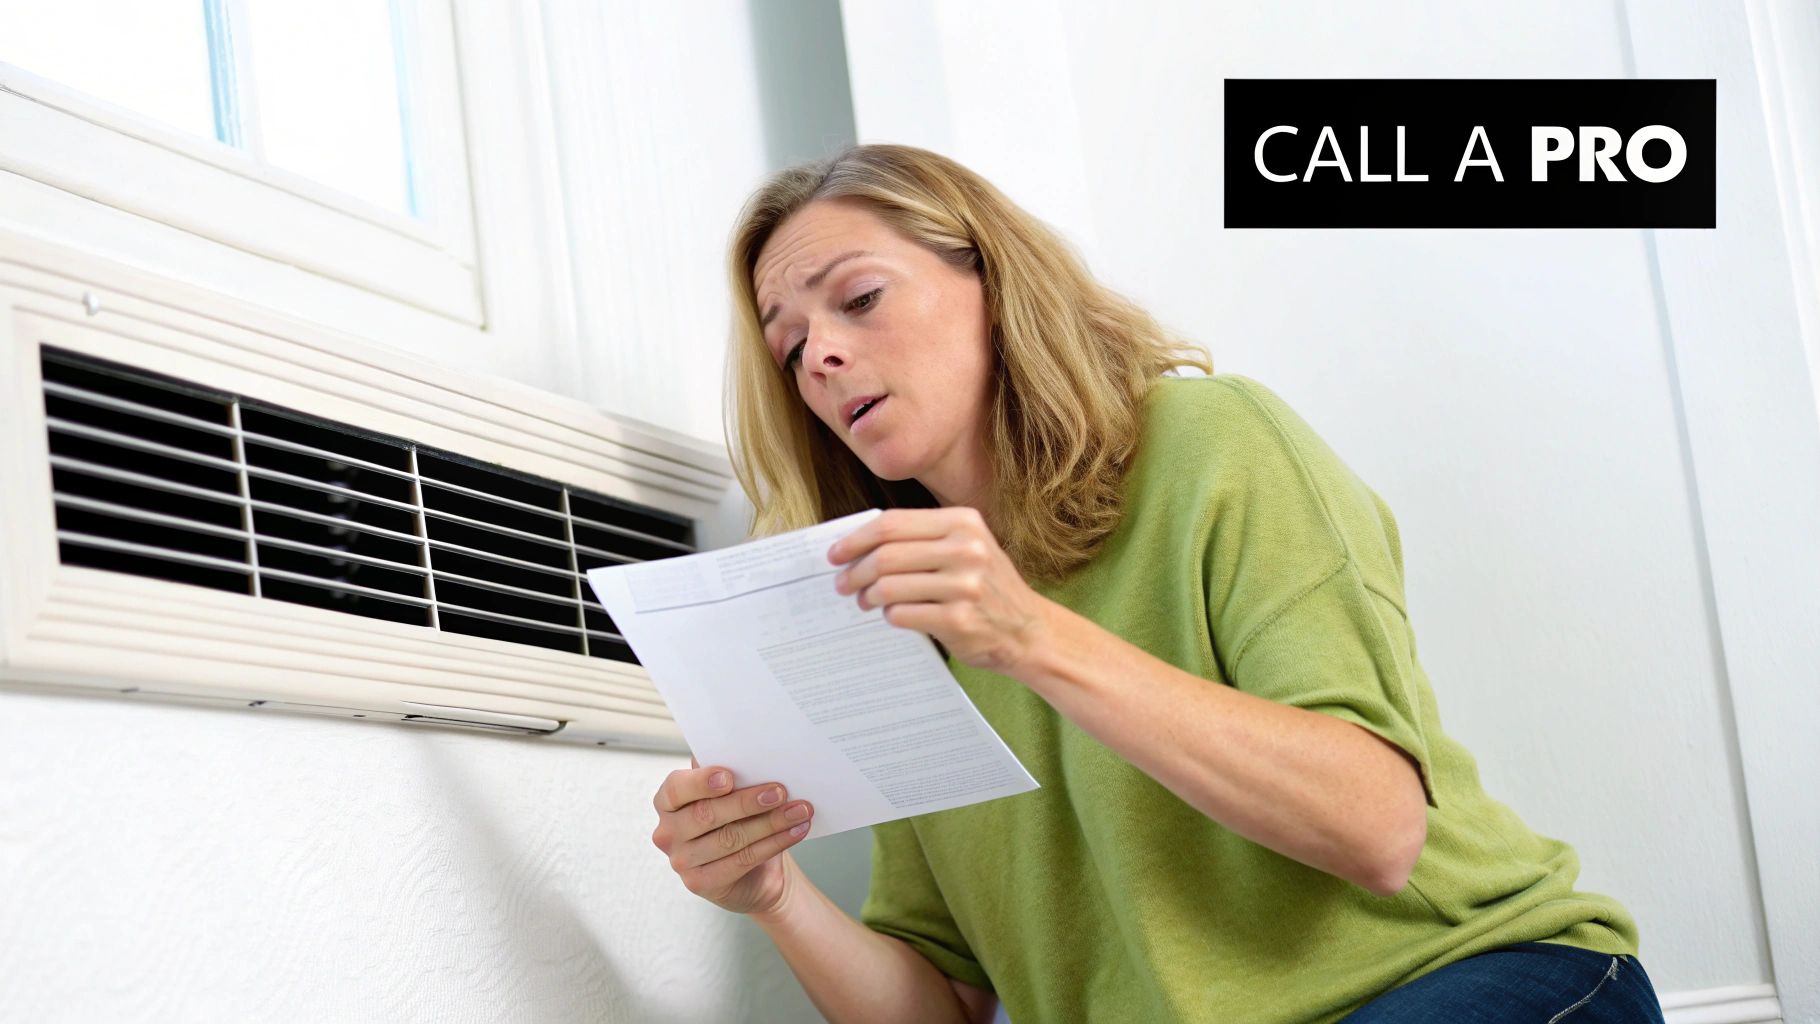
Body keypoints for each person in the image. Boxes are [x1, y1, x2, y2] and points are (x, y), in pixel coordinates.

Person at [648, 142, 1666, 1023]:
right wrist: (772, 891)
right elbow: (946, 1002)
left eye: (859, 299)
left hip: (1474, 978)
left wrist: (1029, 635)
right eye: (789, 347)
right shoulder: (893, 616)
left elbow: (1375, 826)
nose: (821, 353)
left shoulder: (1211, 441)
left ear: (993, 283)